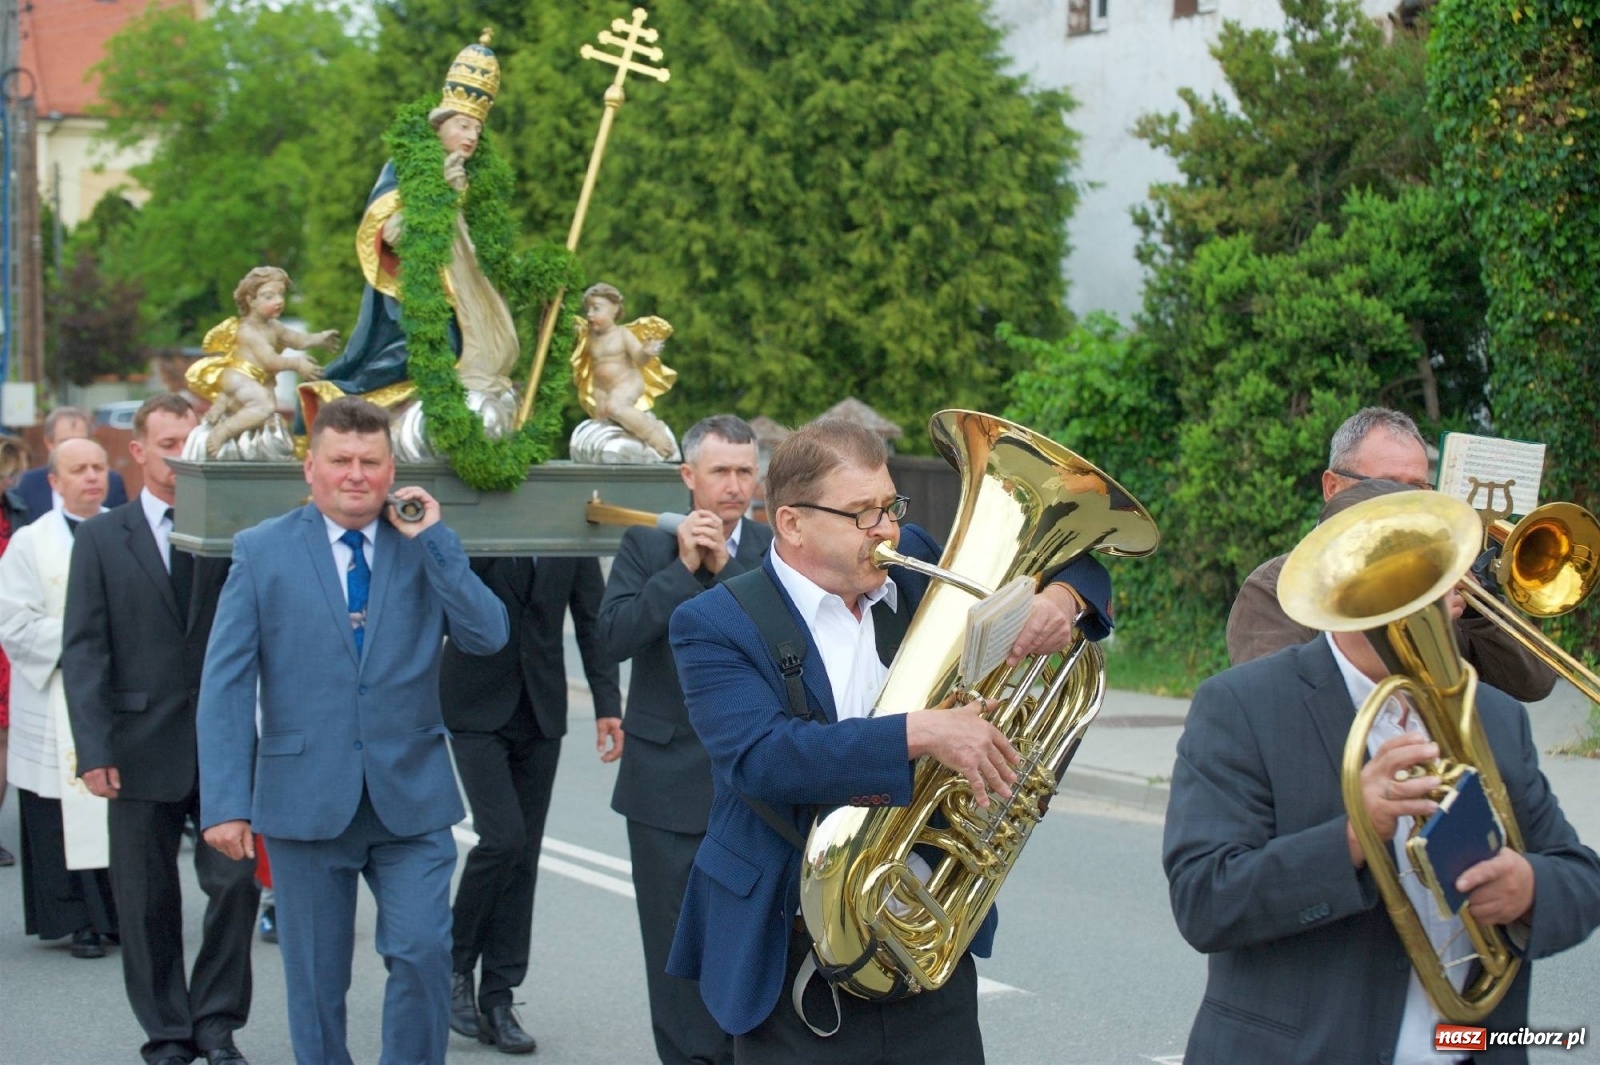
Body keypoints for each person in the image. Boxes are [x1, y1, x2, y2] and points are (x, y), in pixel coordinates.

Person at [664, 419, 1113, 1063]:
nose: (887, 531)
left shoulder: (916, 564)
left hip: (927, 936)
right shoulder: (713, 623)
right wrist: (921, 732)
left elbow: (1078, 558)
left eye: (888, 507)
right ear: (791, 523)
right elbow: (763, 759)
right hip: (788, 947)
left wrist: (1062, 601)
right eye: (861, 514)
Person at [1163, 510, 1600, 1064]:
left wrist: (1530, 889)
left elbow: (1581, 878)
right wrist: (1353, 835)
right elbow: (1204, 901)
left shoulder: (1495, 716)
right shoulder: (1242, 705)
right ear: (1343, 590)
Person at [196, 397, 508, 1065]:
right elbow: (226, 684)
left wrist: (436, 542)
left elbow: (487, 635)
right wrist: (224, 802)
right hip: (303, 801)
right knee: (316, 980)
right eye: (341, 460)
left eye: (371, 461)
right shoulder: (261, 551)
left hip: (411, 799)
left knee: (423, 951)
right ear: (310, 468)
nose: (356, 474)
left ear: (392, 469)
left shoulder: (424, 543)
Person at [62, 394, 257, 1065]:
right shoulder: (101, 538)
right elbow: (85, 649)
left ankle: (217, 1025)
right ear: (139, 450)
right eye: (169, 444)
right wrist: (94, 748)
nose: (181, 457)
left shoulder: (232, 532)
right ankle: (169, 1033)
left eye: (191, 443)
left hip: (223, 743)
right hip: (137, 745)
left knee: (235, 886)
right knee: (146, 901)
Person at [602, 414, 772, 1065]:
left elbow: (780, 645)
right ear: (688, 476)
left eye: (745, 471)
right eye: (720, 471)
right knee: (673, 949)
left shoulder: (771, 548)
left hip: (755, 786)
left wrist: (726, 571)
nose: (734, 485)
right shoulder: (645, 545)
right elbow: (613, 637)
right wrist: (680, 571)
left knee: (751, 941)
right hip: (663, 786)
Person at [1226, 406, 1557, 701]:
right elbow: (1278, 708)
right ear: (1332, 487)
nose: (1405, 501)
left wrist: (1478, 611)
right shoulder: (1275, 587)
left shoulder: (1439, 577)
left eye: (1417, 488)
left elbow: (1535, 685)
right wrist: (1414, 628)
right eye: (1386, 485)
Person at [442, 553, 623, 1054]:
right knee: (502, 839)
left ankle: (498, 998)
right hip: (473, 704)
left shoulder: (567, 533)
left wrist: (607, 704)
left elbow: (590, 618)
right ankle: (452, 965)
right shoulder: (486, 520)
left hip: (541, 707)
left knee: (524, 857)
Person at [301, 36, 517, 427]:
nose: (471, 136)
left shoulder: (468, 177)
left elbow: (477, 243)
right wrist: (441, 195)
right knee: (423, 351)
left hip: (459, 291)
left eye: (477, 129)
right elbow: (391, 233)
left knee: (476, 349)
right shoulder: (410, 168)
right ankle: (349, 402)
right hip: (409, 294)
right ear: (440, 125)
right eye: (463, 125)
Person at [0, 438, 119, 957]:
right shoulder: (30, 543)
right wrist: (87, 639)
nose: (91, 477)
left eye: (98, 467)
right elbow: (14, 622)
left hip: (116, 695)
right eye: (78, 469)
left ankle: (119, 914)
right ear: (54, 481)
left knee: (117, 810)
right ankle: (77, 919)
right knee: (57, 812)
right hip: (54, 694)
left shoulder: (128, 530)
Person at [188, 266, 337, 457]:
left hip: (259, 379)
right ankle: (221, 432)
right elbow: (270, 361)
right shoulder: (248, 331)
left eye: (281, 294)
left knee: (264, 419)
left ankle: (225, 407)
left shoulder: (273, 326)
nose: (278, 301)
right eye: (269, 296)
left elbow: (297, 340)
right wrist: (298, 364)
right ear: (250, 300)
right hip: (239, 376)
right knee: (264, 406)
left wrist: (320, 338)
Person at [570, 283, 678, 459]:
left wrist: (646, 352)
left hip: (627, 382)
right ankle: (624, 446)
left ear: (614, 309)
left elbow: (639, 358)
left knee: (616, 407)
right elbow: (570, 331)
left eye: (596, 309)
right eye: (588, 309)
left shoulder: (622, 334)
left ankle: (656, 437)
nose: (590, 314)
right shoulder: (588, 335)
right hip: (601, 388)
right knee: (603, 419)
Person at [0, 433, 31, 868]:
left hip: (6, 630)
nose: (11, 482)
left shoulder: (17, 511)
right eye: (8, 475)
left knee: (4, 734)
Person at [15, 406, 128, 522]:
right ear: (49, 443)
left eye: (81, 441)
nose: (75, 448)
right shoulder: (28, 483)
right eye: (65, 442)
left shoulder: (111, 481)